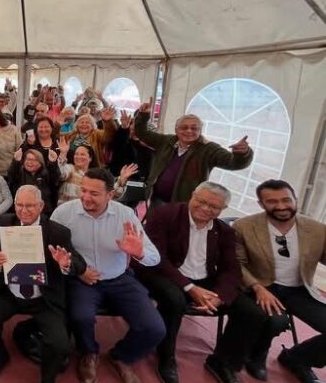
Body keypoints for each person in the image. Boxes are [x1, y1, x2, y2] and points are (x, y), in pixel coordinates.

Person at [51, 168, 164, 383]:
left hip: (119, 278)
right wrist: (78, 271)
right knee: (80, 317)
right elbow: (55, 251)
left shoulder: (125, 215)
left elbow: (154, 257)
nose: (85, 197)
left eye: (94, 193)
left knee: (154, 327)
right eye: (83, 190)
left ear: (110, 195)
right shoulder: (63, 213)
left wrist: (138, 253)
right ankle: (88, 353)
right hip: (82, 279)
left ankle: (122, 356)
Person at [136, 182, 251, 383]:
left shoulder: (224, 230)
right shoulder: (165, 215)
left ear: (223, 209)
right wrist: (189, 288)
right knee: (174, 300)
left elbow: (231, 269)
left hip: (204, 279)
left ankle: (222, 362)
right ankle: (166, 357)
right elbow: (157, 258)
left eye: (213, 206)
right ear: (192, 196)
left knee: (249, 311)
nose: (205, 208)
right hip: (164, 274)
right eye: (201, 201)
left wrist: (220, 296)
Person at [0, 185, 86, 383]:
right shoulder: (5, 223)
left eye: (29, 206)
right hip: (11, 293)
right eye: (19, 205)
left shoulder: (58, 232)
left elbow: (80, 265)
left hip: (44, 297)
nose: (23, 210)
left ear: (41, 206)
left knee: (60, 344)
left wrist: (66, 264)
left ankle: (47, 378)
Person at [233, 180, 326, 383]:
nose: (282, 206)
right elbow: (237, 264)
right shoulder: (244, 226)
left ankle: (297, 359)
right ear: (261, 204)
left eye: (286, 200)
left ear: (295, 200)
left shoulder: (318, 229)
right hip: (262, 285)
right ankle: (258, 354)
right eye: (272, 201)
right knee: (276, 320)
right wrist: (257, 287)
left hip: (300, 289)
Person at [134, 99, 253, 208]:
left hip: (185, 206)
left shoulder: (209, 149)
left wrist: (243, 154)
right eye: (184, 127)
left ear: (200, 131)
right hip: (156, 201)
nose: (189, 131)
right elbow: (142, 133)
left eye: (194, 128)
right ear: (176, 130)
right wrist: (143, 115)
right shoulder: (166, 141)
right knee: (154, 224)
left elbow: (234, 163)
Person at [8, 148, 60, 215]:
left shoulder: (46, 174)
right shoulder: (19, 173)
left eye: (33, 160)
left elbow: (55, 179)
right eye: (27, 159)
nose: (30, 162)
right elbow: (12, 176)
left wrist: (53, 163)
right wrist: (16, 162)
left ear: (40, 162)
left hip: (44, 212)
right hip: (23, 212)